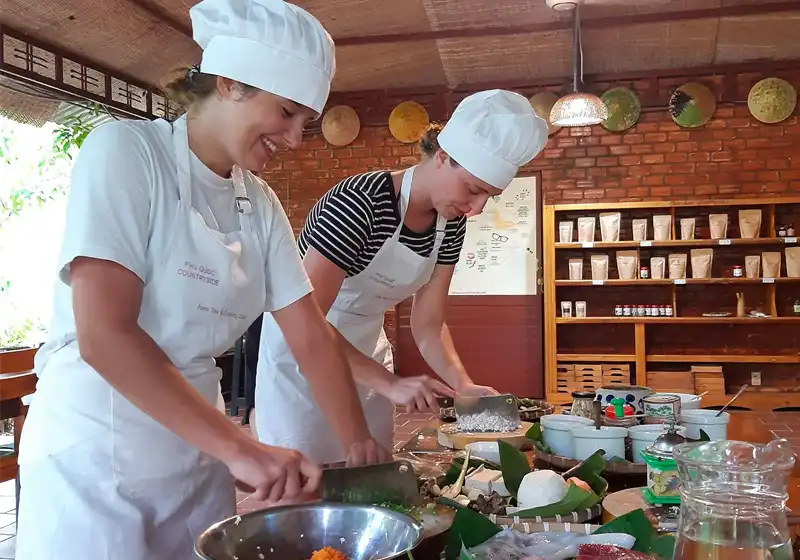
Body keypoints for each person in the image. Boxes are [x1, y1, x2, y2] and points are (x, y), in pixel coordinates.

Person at [14, 1, 391, 558]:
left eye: (303, 124)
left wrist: (359, 443)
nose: (293, 140)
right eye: (286, 113)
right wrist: (239, 447)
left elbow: (309, 333)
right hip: (98, 446)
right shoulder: (126, 153)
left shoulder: (259, 204)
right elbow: (105, 335)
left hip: (198, 451)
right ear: (230, 82)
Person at [254, 89, 549, 464]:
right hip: (302, 356)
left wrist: (464, 386)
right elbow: (308, 322)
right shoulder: (360, 203)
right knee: (309, 481)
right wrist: (390, 384)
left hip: (366, 349)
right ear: (443, 157)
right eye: (474, 190)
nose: (475, 209)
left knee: (370, 474)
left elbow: (428, 324)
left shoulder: (451, 224)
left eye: (489, 197)